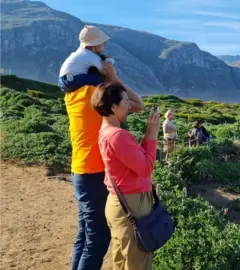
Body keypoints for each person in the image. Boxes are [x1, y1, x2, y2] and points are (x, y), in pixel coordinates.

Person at [61, 26, 145, 270]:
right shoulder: (97, 95)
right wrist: (114, 77)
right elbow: (137, 105)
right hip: (95, 173)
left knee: (86, 234)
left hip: (80, 170)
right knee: (98, 239)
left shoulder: (73, 94)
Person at [92, 82, 158, 270]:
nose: (129, 106)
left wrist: (147, 137)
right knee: (137, 263)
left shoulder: (105, 132)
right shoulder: (118, 136)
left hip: (119, 203)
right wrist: (152, 135)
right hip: (132, 204)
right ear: (113, 107)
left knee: (122, 261)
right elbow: (146, 168)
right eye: (125, 102)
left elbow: (137, 163)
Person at [58, 25, 115, 93]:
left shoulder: (79, 53)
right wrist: (110, 61)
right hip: (73, 80)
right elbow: (105, 70)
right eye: (103, 43)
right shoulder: (91, 56)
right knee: (98, 78)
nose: (104, 45)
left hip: (63, 82)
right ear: (95, 45)